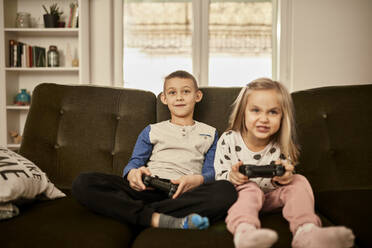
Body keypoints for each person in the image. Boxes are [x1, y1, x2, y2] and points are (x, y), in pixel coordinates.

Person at [72, 70, 237, 230]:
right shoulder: (151, 130)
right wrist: (132, 174)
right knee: (83, 182)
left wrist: (198, 180)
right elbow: (134, 163)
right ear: (164, 98)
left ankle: (134, 213)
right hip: (149, 187)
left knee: (227, 190)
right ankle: (155, 218)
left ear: (197, 96)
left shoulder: (211, 133)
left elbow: (211, 172)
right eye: (172, 93)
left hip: (183, 193)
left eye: (186, 91)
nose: (179, 97)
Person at [214, 78, 355, 248]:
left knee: (299, 180)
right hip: (242, 197)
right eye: (256, 110)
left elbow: (283, 179)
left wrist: (284, 178)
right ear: (243, 112)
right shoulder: (229, 140)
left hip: (272, 198)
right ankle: (245, 232)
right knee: (250, 189)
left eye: (273, 112)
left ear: (283, 117)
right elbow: (219, 180)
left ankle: (306, 232)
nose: (264, 119)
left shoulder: (281, 144)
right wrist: (233, 176)